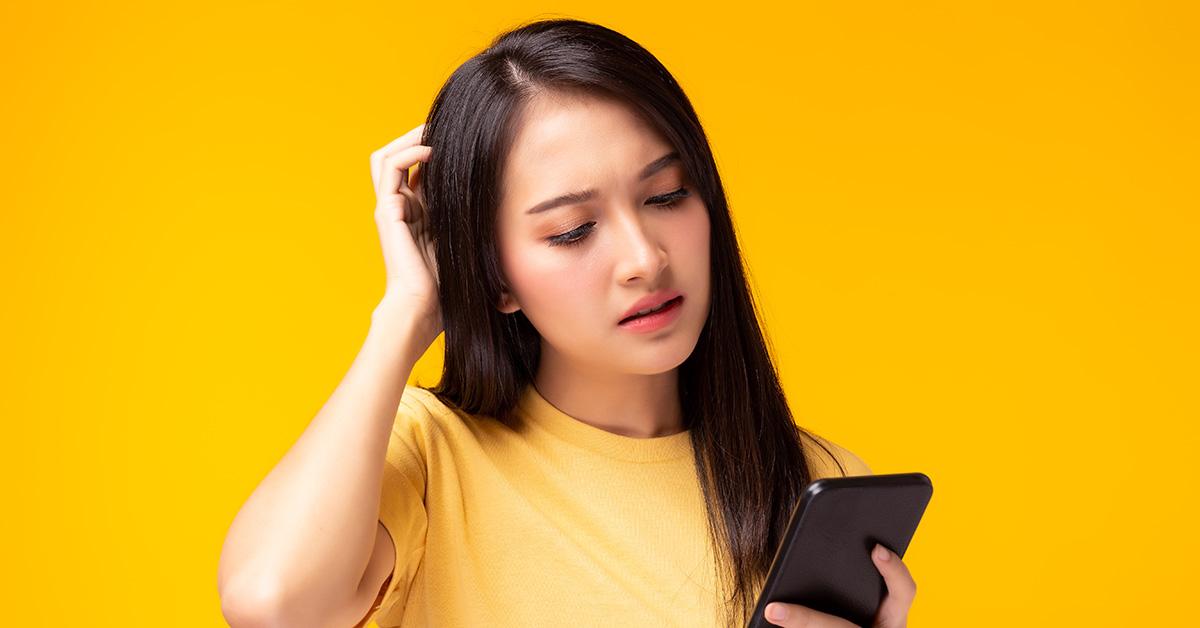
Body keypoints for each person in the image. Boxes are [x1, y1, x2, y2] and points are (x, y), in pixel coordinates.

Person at [217, 17, 916, 628]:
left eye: (667, 194)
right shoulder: (428, 459)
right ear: (495, 278)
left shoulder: (815, 481)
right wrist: (409, 310)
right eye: (573, 231)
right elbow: (273, 605)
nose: (644, 258)